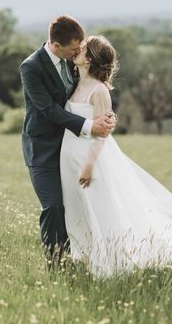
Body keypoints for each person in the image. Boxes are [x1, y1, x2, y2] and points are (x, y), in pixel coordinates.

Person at [60, 35, 172, 278]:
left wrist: (89, 165)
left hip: (90, 160)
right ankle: (86, 257)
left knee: (101, 209)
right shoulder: (76, 81)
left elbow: (102, 135)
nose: (77, 49)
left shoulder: (99, 91)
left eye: (84, 47)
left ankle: (112, 262)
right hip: (69, 157)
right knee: (78, 209)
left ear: (89, 59)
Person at [20, 16, 116, 270]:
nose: (78, 51)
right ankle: (57, 267)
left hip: (72, 149)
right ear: (55, 46)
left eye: (80, 48)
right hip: (42, 150)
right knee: (53, 207)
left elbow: (93, 91)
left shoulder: (74, 64)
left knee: (77, 207)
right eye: (74, 49)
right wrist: (90, 126)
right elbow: (49, 109)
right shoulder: (31, 67)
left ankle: (82, 258)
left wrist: (105, 115)